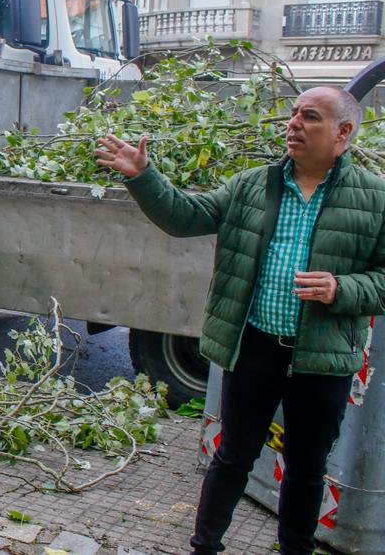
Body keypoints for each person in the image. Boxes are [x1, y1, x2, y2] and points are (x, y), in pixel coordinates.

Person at [95, 86, 385, 555]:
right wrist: (144, 176)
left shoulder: (375, 198)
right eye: (292, 114)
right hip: (254, 348)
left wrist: (342, 289)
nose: (293, 124)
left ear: (343, 132)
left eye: (309, 117)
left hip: (323, 358)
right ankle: (204, 547)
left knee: (307, 469)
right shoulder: (253, 185)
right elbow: (186, 217)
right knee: (232, 458)